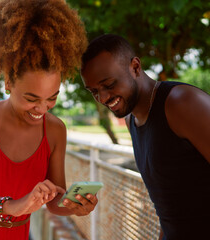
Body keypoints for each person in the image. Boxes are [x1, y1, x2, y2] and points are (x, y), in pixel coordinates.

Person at [0, 1, 98, 239]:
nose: (42, 108)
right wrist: (11, 206)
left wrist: (74, 205)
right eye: (32, 98)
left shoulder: (55, 131)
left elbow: (54, 202)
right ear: (9, 83)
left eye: (51, 98)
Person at [80, 34, 210, 240]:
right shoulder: (132, 119)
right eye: (94, 91)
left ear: (135, 67)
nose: (102, 98)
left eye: (109, 84)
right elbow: (169, 208)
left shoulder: (182, 103)